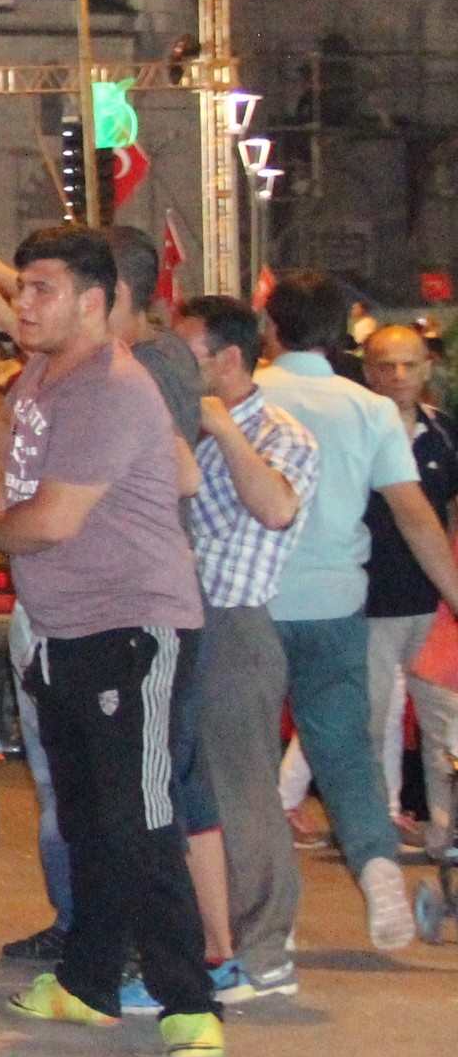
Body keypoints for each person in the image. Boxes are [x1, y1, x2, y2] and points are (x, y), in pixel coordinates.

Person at [0, 228, 219, 1057]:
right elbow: (12, 467)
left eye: (41, 289)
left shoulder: (113, 389)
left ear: (95, 301)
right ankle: (88, 984)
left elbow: (47, 520)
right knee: (86, 818)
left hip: (133, 629)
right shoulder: (46, 379)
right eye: (21, 287)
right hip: (63, 630)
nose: (24, 303)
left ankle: (189, 1000)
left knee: (142, 815)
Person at [255, 269, 458, 951]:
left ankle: (268, 919)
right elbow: (416, 516)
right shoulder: (368, 410)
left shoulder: (242, 397)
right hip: (338, 602)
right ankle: (376, 867)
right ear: (343, 335)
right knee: (346, 749)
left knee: (244, 759)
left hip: (247, 604)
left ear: (270, 328)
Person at [171, 296, 317, 1000]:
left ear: (228, 359)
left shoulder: (281, 432)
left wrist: (225, 430)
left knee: (243, 793)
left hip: (236, 625)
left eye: (188, 354)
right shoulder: (181, 424)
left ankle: (263, 952)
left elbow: (277, 506)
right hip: (184, 621)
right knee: (196, 796)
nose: (176, 366)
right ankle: (216, 942)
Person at [359, 322, 458, 855]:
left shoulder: (443, 433)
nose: (398, 375)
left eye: (409, 364)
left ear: (427, 368)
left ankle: (447, 836)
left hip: (434, 609)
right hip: (366, 608)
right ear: (367, 368)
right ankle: (376, 833)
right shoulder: (351, 429)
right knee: (371, 726)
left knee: (447, 727)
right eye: (385, 364)